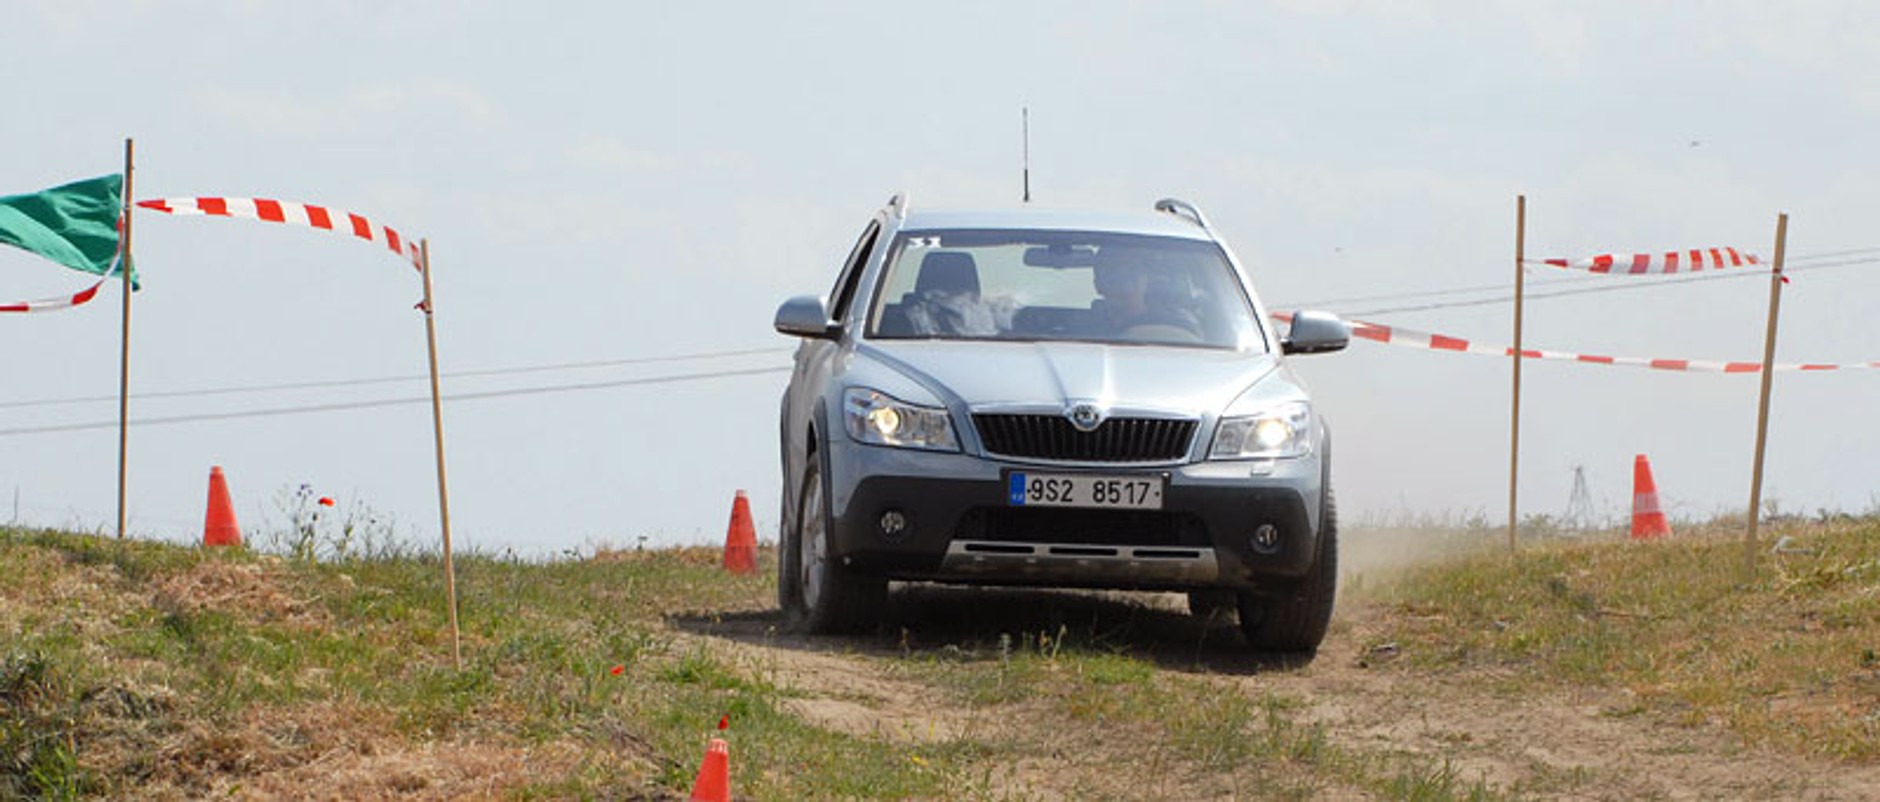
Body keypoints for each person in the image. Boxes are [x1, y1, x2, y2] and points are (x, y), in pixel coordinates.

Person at [1091, 247, 1201, 341]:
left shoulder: (1177, 328)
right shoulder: (1080, 332)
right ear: (1098, 284)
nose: (1126, 287)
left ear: (1146, 279)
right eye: (1115, 276)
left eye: (1133, 274)